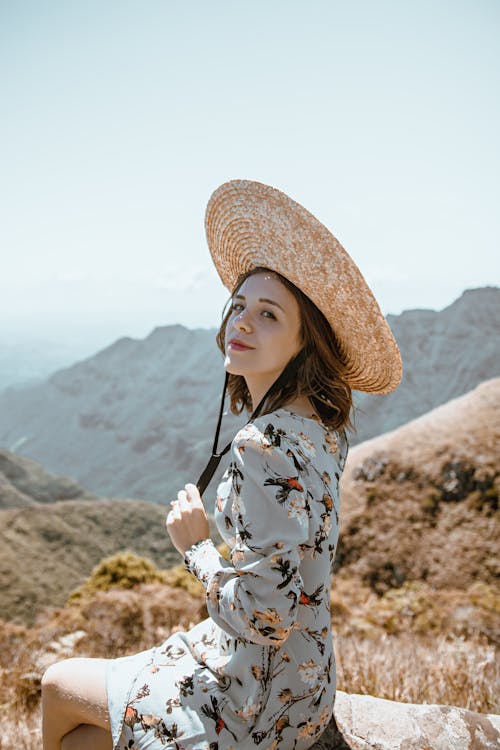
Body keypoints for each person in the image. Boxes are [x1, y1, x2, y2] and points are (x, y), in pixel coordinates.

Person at [41, 179, 402, 750]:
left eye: (268, 315)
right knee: (85, 737)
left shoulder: (262, 445)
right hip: (306, 686)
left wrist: (196, 549)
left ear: (305, 343)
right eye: (238, 306)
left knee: (59, 686)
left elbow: (266, 616)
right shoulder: (323, 428)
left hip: (256, 696)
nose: (241, 323)